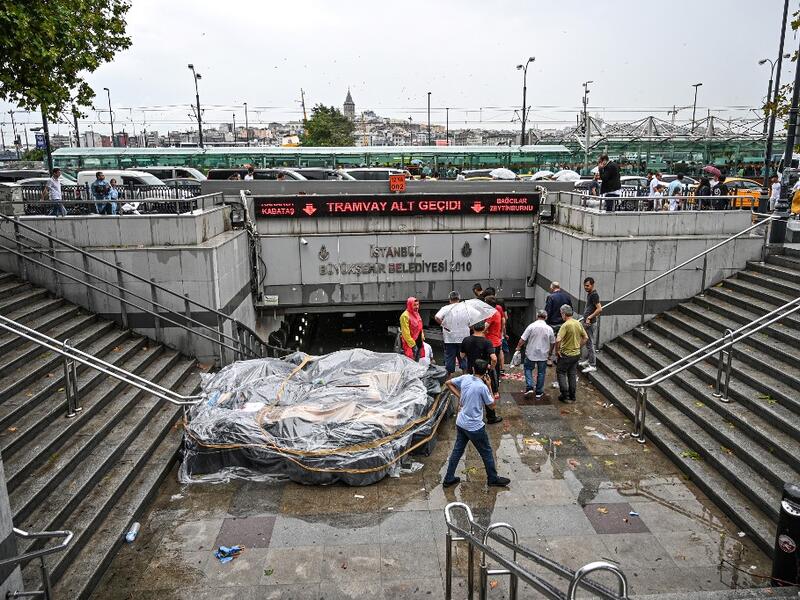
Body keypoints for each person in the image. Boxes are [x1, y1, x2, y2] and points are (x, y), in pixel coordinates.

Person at [442, 359, 511, 488]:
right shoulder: (482, 387)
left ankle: (448, 477)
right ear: (485, 373)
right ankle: (493, 478)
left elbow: (448, 383)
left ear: (473, 369)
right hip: (474, 426)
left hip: (461, 422)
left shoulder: (465, 378)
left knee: (457, 451)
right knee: (487, 452)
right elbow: (492, 406)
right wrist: (489, 385)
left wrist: (460, 396)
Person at [459, 321, 502, 424]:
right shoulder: (487, 342)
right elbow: (494, 358)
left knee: (471, 392)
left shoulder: (466, 340)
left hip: (471, 371)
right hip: (483, 371)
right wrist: (491, 367)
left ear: (473, 328)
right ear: (484, 329)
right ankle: (491, 417)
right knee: (487, 391)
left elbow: (462, 355)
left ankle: (472, 414)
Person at [516, 309, 555, 398]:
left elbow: (523, 339)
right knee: (541, 373)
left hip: (531, 353)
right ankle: (539, 392)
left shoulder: (531, 326)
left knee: (528, 369)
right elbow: (553, 342)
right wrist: (550, 353)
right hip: (543, 354)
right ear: (546, 317)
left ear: (537, 316)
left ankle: (529, 386)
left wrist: (518, 347)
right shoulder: (549, 329)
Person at [555, 305, 588, 403]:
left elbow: (558, 340)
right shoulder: (578, 323)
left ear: (563, 314)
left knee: (561, 372)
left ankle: (564, 395)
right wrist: (578, 346)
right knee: (572, 374)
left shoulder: (565, 325)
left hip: (566, 355)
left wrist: (557, 350)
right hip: (576, 354)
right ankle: (572, 396)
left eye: (561, 314)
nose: (561, 315)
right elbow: (586, 338)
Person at [435, 291, 470, 378]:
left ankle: (448, 379)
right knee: (463, 357)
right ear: (459, 298)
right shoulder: (466, 308)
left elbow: (437, 317)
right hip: (464, 338)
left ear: (450, 299)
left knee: (449, 357)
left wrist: (444, 325)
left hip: (449, 338)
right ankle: (465, 376)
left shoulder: (445, 308)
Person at [544, 281, 572, 366]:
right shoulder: (567, 296)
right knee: (560, 340)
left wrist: (546, 323)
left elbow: (548, 311)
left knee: (551, 341)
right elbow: (570, 309)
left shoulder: (551, 297)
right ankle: (558, 357)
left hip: (553, 323)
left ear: (552, 288)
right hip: (563, 323)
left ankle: (549, 358)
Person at [482, 296, 503, 400]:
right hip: (496, 341)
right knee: (496, 367)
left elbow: (484, 328)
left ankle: (494, 390)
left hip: (491, 344)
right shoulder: (497, 312)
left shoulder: (491, 314)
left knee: (491, 367)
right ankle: (495, 387)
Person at [579, 277, 602, 373]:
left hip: (590, 323)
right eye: (585, 285)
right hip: (588, 323)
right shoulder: (590, 294)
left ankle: (593, 365)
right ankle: (589, 360)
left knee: (589, 343)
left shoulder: (594, 295)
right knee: (588, 343)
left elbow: (599, 309)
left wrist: (589, 317)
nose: (586, 287)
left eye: (587, 285)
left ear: (592, 285)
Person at [399, 297, 425, 362]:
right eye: (414, 305)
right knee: (410, 360)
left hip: (418, 341)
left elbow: (420, 327)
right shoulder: (404, 316)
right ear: (410, 305)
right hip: (410, 343)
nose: (417, 307)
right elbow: (405, 333)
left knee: (417, 359)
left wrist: (422, 336)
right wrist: (413, 345)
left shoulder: (417, 313)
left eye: (417, 305)